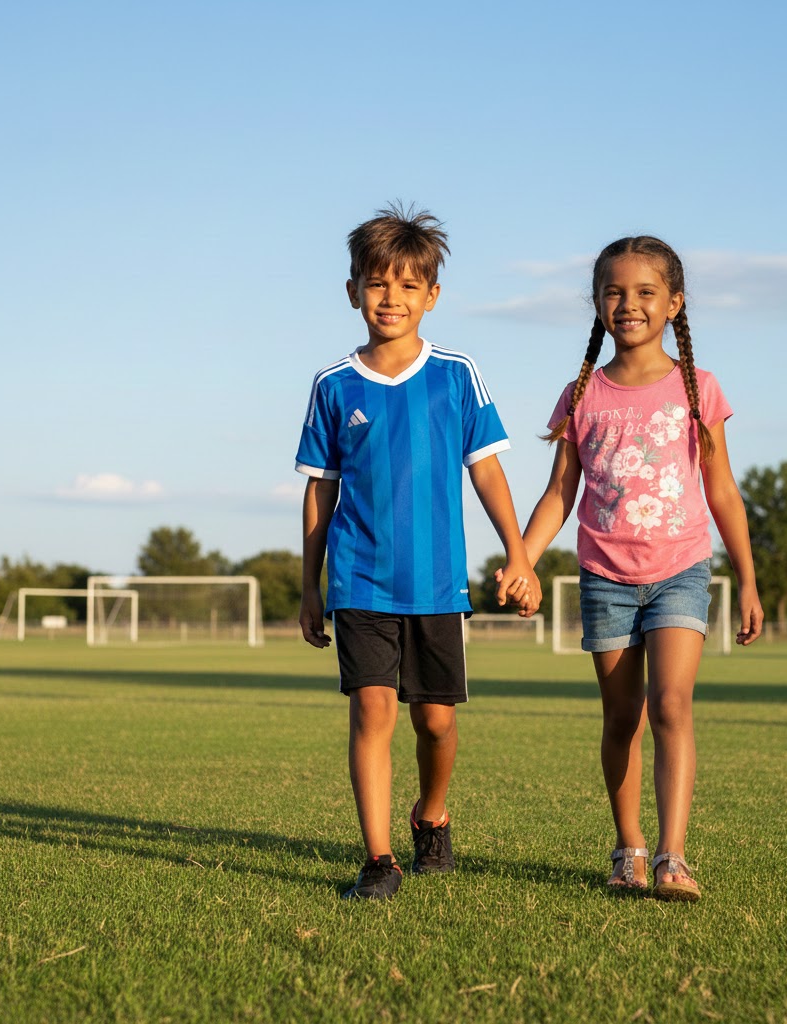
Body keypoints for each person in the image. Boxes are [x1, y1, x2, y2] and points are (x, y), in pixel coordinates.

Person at [506, 235, 763, 902]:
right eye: (614, 292)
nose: (629, 304)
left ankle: (675, 857)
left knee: (672, 704)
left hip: (681, 568)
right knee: (623, 718)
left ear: (674, 303)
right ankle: (630, 851)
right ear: (597, 304)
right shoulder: (581, 392)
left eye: (645, 292)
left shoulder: (696, 387)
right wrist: (522, 560)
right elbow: (560, 492)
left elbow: (723, 490)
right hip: (605, 577)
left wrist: (751, 581)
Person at [295, 203, 540, 901]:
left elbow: (487, 470)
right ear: (352, 292)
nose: (391, 299)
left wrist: (519, 556)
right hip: (359, 579)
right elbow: (320, 493)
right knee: (371, 710)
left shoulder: (457, 375)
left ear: (432, 296)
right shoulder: (333, 386)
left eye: (408, 286)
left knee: (436, 722)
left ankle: (431, 812)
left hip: (436, 585)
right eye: (377, 284)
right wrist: (311, 587)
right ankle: (378, 862)